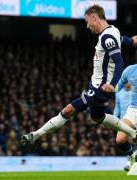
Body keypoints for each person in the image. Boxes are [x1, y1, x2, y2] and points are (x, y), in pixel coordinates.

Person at [21, 5, 137, 152]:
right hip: (98, 86)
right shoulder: (113, 32)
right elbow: (128, 41)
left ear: (95, 17)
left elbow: (119, 62)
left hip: (99, 88)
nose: (88, 26)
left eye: (88, 22)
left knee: (68, 111)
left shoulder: (107, 37)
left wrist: (112, 84)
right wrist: (133, 42)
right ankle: (133, 133)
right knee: (98, 117)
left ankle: (35, 135)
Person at [115, 65, 137, 173]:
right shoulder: (129, 70)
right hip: (133, 110)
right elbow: (116, 87)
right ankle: (131, 157)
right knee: (120, 139)